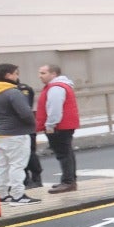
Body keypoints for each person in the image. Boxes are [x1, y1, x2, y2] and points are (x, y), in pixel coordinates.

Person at [0, 64, 41, 206]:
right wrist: (32, 124)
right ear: (8, 75)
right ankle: (18, 196)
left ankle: (2, 194)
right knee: (17, 165)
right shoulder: (13, 93)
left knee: (2, 164)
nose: (17, 76)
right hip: (17, 133)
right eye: (15, 74)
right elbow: (26, 113)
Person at [36, 63, 81, 193]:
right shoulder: (60, 86)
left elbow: (54, 109)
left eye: (43, 73)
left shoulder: (55, 88)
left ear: (53, 74)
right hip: (64, 125)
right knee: (67, 152)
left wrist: (50, 125)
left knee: (63, 154)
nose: (40, 76)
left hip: (59, 126)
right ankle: (69, 180)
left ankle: (68, 182)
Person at [15, 79, 43, 190]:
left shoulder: (23, 89)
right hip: (14, 129)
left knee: (30, 152)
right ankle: (25, 179)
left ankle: (36, 178)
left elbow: (24, 108)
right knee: (18, 155)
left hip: (26, 126)